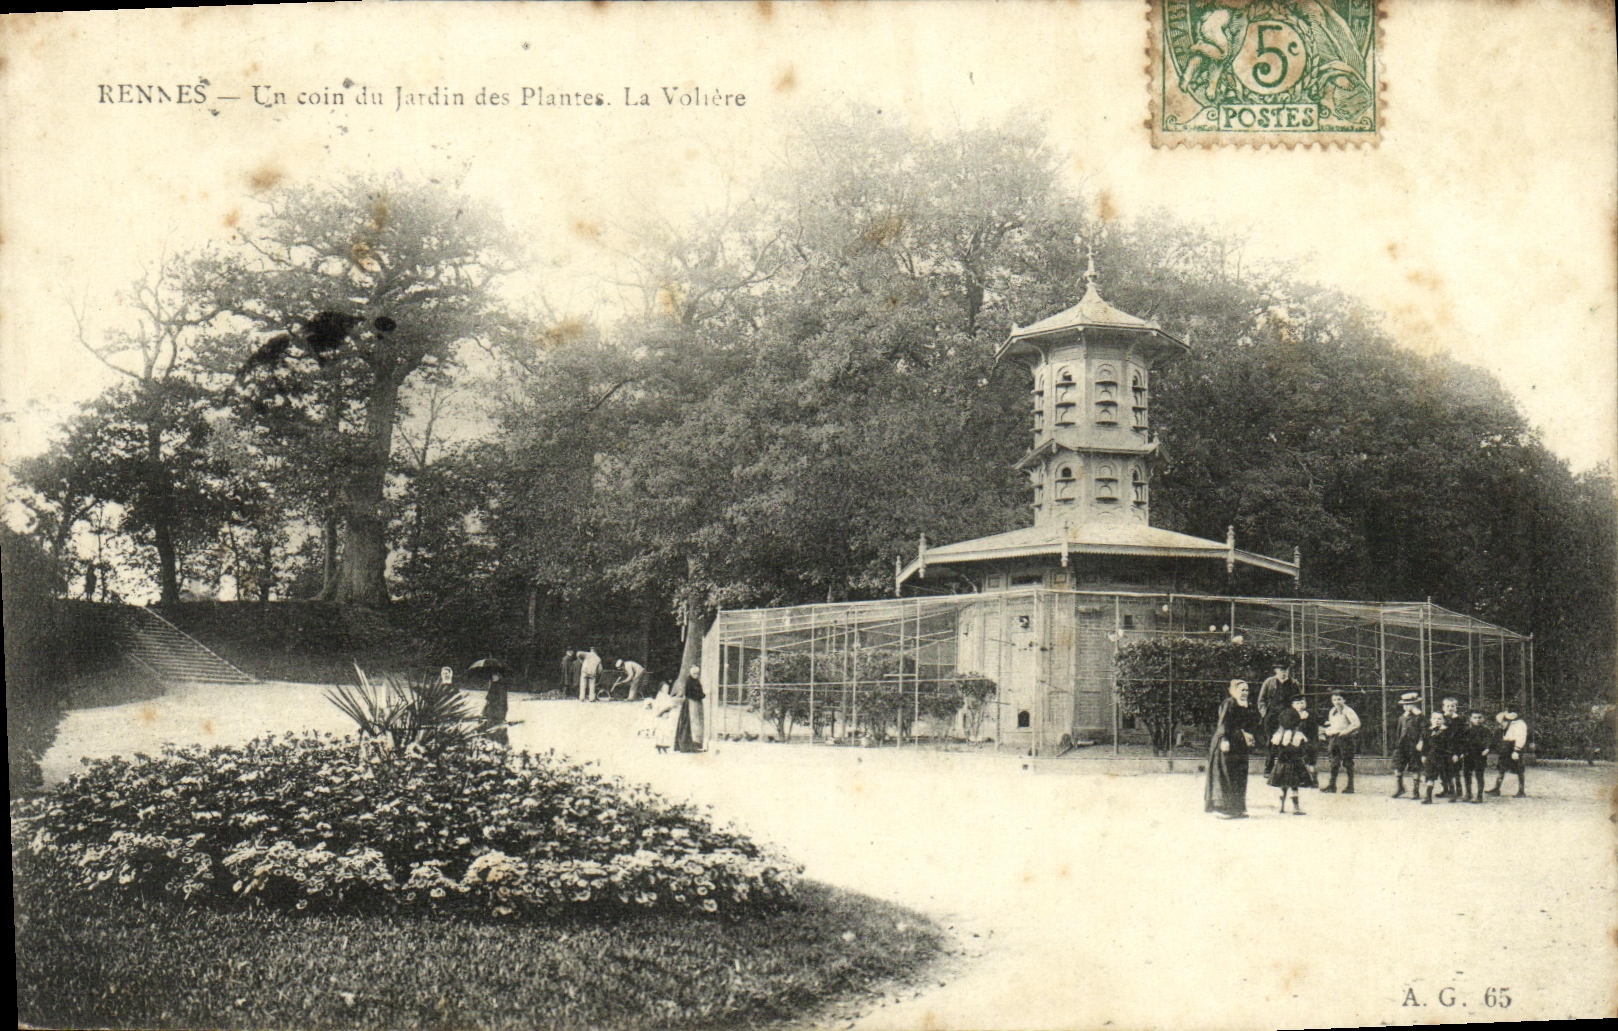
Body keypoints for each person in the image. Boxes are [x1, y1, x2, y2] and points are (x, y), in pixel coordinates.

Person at [1204, 679, 1258, 819]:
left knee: (1239, 774)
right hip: (1227, 743)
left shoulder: (1247, 705)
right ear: (1233, 691)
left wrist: (1249, 736)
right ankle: (1225, 809)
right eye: (1242, 690)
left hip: (1240, 744)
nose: (1245, 693)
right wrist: (1224, 740)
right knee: (1226, 774)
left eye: (1247, 690)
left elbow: (1250, 725)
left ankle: (1238, 808)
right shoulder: (1229, 703)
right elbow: (1223, 723)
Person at [1267, 695, 1314, 815]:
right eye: (1297, 703)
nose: (1300, 705)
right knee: (1294, 784)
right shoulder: (1294, 733)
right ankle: (1295, 807)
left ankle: (1282, 806)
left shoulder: (1281, 732)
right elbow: (1298, 746)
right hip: (1292, 760)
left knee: (1284, 783)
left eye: (1301, 703)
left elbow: (1274, 746)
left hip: (1283, 760)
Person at [1319, 690, 1361, 794]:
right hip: (1334, 739)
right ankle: (1332, 785)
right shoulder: (1332, 711)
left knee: (1347, 762)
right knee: (1334, 762)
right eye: (1334, 699)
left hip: (1345, 739)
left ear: (1344, 700)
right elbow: (1334, 725)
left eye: (1339, 699)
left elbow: (1356, 724)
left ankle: (1350, 786)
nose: (1336, 702)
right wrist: (1326, 730)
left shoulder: (1348, 711)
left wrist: (1345, 732)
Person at [1256, 664, 1294, 776]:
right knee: (1271, 741)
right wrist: (1264, 713)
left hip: (1286, 716)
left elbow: (1298, 699)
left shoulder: (1294, 683)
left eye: (1286, 669)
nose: (1284, 672)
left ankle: (1283, 770)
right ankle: (1268, 768)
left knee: (1285, 741)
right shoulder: (1269, 682)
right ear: (1276, 670)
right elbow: (1261, 700)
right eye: (1281, 670)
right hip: (1271, 716)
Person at [1487, 710, 1530, 797]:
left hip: (1515, 748)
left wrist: (1516, 750)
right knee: (1501, 768)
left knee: (1519, 769)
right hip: (1506, 748)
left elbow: (1521, 738)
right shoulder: (1506, 726)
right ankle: (1496, 788)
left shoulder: (1520, 725)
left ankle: (1521, 791)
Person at [1391, 691, 1424, 799]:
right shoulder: (1401, 718)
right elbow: (1398, 731)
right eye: (1405, 705)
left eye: (1410, 704)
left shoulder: (1419, 717)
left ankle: (1416, 790)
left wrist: (1421, 742)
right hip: (1401, 746)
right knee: (1397, 767)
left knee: (1415, 768)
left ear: (1415, 705)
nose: (1407, 707)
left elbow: (1424, 729)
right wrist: (1396, 744)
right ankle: (1400, 787)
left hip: (1413, 746)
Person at [1436, 696, 1465, 800]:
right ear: (1443, 707)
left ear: (1456, 707)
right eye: (1447, 706)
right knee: (1443, 770)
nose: (1450, 708)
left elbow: (1462, 737)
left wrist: (1458, 752)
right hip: (1442, 749)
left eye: (1453, 706)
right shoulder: (1440, 718)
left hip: (1454, 749)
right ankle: (1445, 789)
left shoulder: (1459, 720)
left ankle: (1457, 791)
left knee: (1454, 771)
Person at [674, 664, 706, 753]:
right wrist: (702, 695)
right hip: (691, 704)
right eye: (695, 673)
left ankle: (697, 743)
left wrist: (701, 695)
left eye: (697, 674)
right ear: (691, 673)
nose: (696, 675)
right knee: (691, 723)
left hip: (696, 703)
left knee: (697, 722)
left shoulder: (696, 681)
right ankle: (690, 744)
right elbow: (691, 693)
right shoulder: (689, 681)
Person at [1461, 710, 1491, 804]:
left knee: (1479, 775)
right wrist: (1462, 751)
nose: (1477, 720)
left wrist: (1487, 749)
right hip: (1468, 755)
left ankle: (1479, 796)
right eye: (1475, 718)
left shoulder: (1485, 730)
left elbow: (1489, 741)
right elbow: (1463, 742)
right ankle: (1468, 793)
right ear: (1470, 719)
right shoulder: (1466, 730)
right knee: (1467, 774)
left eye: (1479, 717)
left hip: (1480, 755)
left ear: (1483, 718)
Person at [1418, 711, 1448, 804]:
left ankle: (1450, 792)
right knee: (1430, 776)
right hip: (1431, 757)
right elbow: (1425, 745)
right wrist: (1423, 755)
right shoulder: (1427, 731)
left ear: (1443, 720)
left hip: (1443, 756)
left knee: (1446, 776)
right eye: (1434, 718)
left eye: (1439, 719)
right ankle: (1428, 796)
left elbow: (1449, 744)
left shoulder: (1446, 731)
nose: (1437, 721)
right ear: (1431, 720)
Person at [480, 670, 510, 747]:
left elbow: (502, 700)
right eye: (492, 675)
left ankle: (499, 743)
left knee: (497, 727)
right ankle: (491, 742)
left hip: (497, 710)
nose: (493, 677)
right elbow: (488, 699)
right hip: (492, 709)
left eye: (495, 675)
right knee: (490, 726)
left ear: (499, 676)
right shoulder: (493, 685)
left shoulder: (501, 686)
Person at [648, 681, 677, 753]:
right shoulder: (659, 696)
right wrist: (662, 711)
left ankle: (664, 744)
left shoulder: (667, 696)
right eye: (665, 688)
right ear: (661, 689)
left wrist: (671, 707)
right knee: (660, 730)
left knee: (666, 730)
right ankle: (659, 744)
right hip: (661, 715)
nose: (666, 690)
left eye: (667, 688)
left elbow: (670, 703)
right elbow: (658, 706)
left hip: (667, 715)